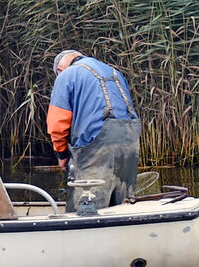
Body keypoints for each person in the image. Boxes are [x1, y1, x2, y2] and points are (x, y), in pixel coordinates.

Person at [47, 49, 141, 212]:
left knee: (88, 204)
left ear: (60, 70)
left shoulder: (67, 74)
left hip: (98, 144)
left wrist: (61, 154)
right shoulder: (113, 72)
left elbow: (57, 123)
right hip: (131, 138)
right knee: (122, 203)